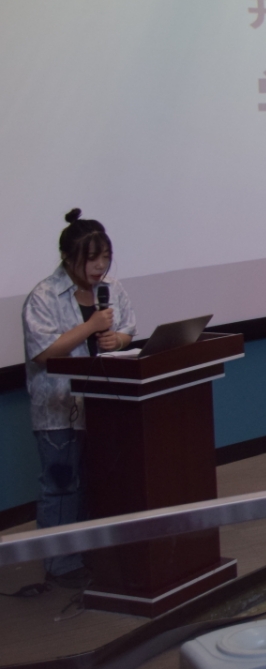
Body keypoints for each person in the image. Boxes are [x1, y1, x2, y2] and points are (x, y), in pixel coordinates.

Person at [22, 209, 135, 589]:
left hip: (104, 407)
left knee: (97, 482)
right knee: (61, 487)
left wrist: (116, 339)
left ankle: (90, 553)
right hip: (59, 409)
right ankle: (59, 565)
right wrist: (90, 326)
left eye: (105, 257)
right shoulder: (43, 296)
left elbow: (127, 330)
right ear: (68, 257)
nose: (100, 266)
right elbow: (43, 353)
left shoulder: (112, 288)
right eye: (91, 258)